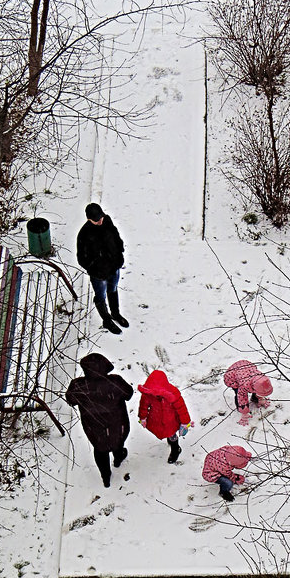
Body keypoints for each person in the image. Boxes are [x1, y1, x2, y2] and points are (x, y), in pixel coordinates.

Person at [65, 353, 133, 488]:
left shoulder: (78, 386)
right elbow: (128, 394)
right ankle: (118, 459)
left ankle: (106, 477)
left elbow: (70, 400)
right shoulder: (115, 382)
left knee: (100, 449)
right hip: (117, 424)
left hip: (94, 428)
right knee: (117, 441)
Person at [76, 202, 128, 335]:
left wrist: (119, 253)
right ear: (89, 219)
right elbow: (81, 258)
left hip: (114, 267)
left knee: (113, 289)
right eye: (96, 220)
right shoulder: (84, 234)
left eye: (101, 218)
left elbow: (116, 238)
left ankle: (115, 314)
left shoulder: (107, 221)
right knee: (100, 296)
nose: (100, 221)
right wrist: (94, 269)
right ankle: (107, 320)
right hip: (98, 274)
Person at [137, 370, 192, 463]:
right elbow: (143, 406)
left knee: (171, 434)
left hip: (171, 420)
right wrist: (143, 417)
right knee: (163, 432)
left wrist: (185, 422)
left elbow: (182, 409)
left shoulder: (173, 393)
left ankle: (175, 449)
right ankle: (171, 441)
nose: (155, 395)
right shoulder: (148, 394)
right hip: (156, 418)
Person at [223, 360, 273, 425]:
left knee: (258, 389)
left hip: (245, 367)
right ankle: (240, 408)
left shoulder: (261, 378)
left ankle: (256, 399)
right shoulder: (244, 385)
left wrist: (260, 398)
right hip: (231, 376)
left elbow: (260, 389)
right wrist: (244, 412)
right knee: (238, 392)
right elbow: (241, 397)